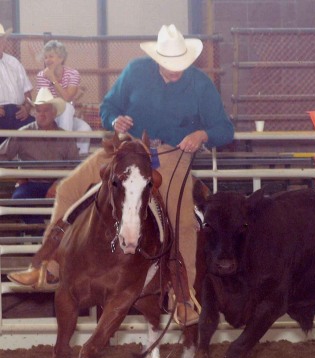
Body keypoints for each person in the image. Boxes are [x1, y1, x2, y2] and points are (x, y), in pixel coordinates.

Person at [8, 24, 235, 326]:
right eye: (169, 64)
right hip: (127, 148)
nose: (174, 70)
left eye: (179, 64)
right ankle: (48, 265)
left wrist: (202, 133)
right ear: (157, 60)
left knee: (181, 219)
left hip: (171, 154)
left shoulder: (200, 84)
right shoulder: (135, 71)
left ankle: (182, 296)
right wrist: (115, 120)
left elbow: (225, 129)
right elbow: (108, 106)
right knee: (68, 189)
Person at [0, 87, 80, 223]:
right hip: (30, 184)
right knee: (19, 200)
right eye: (38, 110)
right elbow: (2, 155)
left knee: (74, 204)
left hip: (58, 185)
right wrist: (17, 176)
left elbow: (75, 166)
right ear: (34, 112)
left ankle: (47, 235)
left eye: (46, 110)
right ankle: (40, 233)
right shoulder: (23, 133)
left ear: (54, 113)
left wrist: (58, 184)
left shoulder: (66, 137)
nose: (41, 114)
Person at [0, 23, 34, 143]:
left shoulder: (14, 62)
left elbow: (28, 93)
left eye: (0, 39)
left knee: (40, 129)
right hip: (1, 114)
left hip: (19, 113)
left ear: (4, 42)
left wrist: (27, 108)